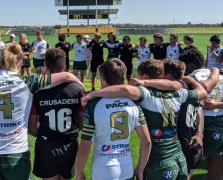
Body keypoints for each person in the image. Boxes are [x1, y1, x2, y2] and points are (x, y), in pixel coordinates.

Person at [0, 43, 83, 180]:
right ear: (20, 63)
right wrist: (80, 85)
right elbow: (66, 76)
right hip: (17, 153)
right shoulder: (28, 82)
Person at [82, 59, 207, 180]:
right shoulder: (179, 92)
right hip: (179, 157)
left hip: (159, 161)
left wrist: (94, 94)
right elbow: (202, 92)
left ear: (145, 76)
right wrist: (189, 79)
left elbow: (124, 89)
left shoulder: (145, 94)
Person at [76, 58, 151, 180]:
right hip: (126, 166)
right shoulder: (134, 102)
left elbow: (85, 147)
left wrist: (79, 172)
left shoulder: (94, 104)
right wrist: (140, 169)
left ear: (103, 77)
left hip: (103, 169)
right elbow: (146, 141)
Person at [29, 48, 85, 180]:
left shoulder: (38, 91)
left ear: (46, 67)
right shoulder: (78, 89)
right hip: (70, 144)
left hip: (46, 145)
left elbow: (31, 129)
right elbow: (81, 123)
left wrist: (46, 134)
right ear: (65, 66)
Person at [180, 49, 223, 180]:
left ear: (188, 65)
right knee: (216, 174)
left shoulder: (189, 79)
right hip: (220, 124)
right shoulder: (220, 75)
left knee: (188, 168)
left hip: (199, 125)